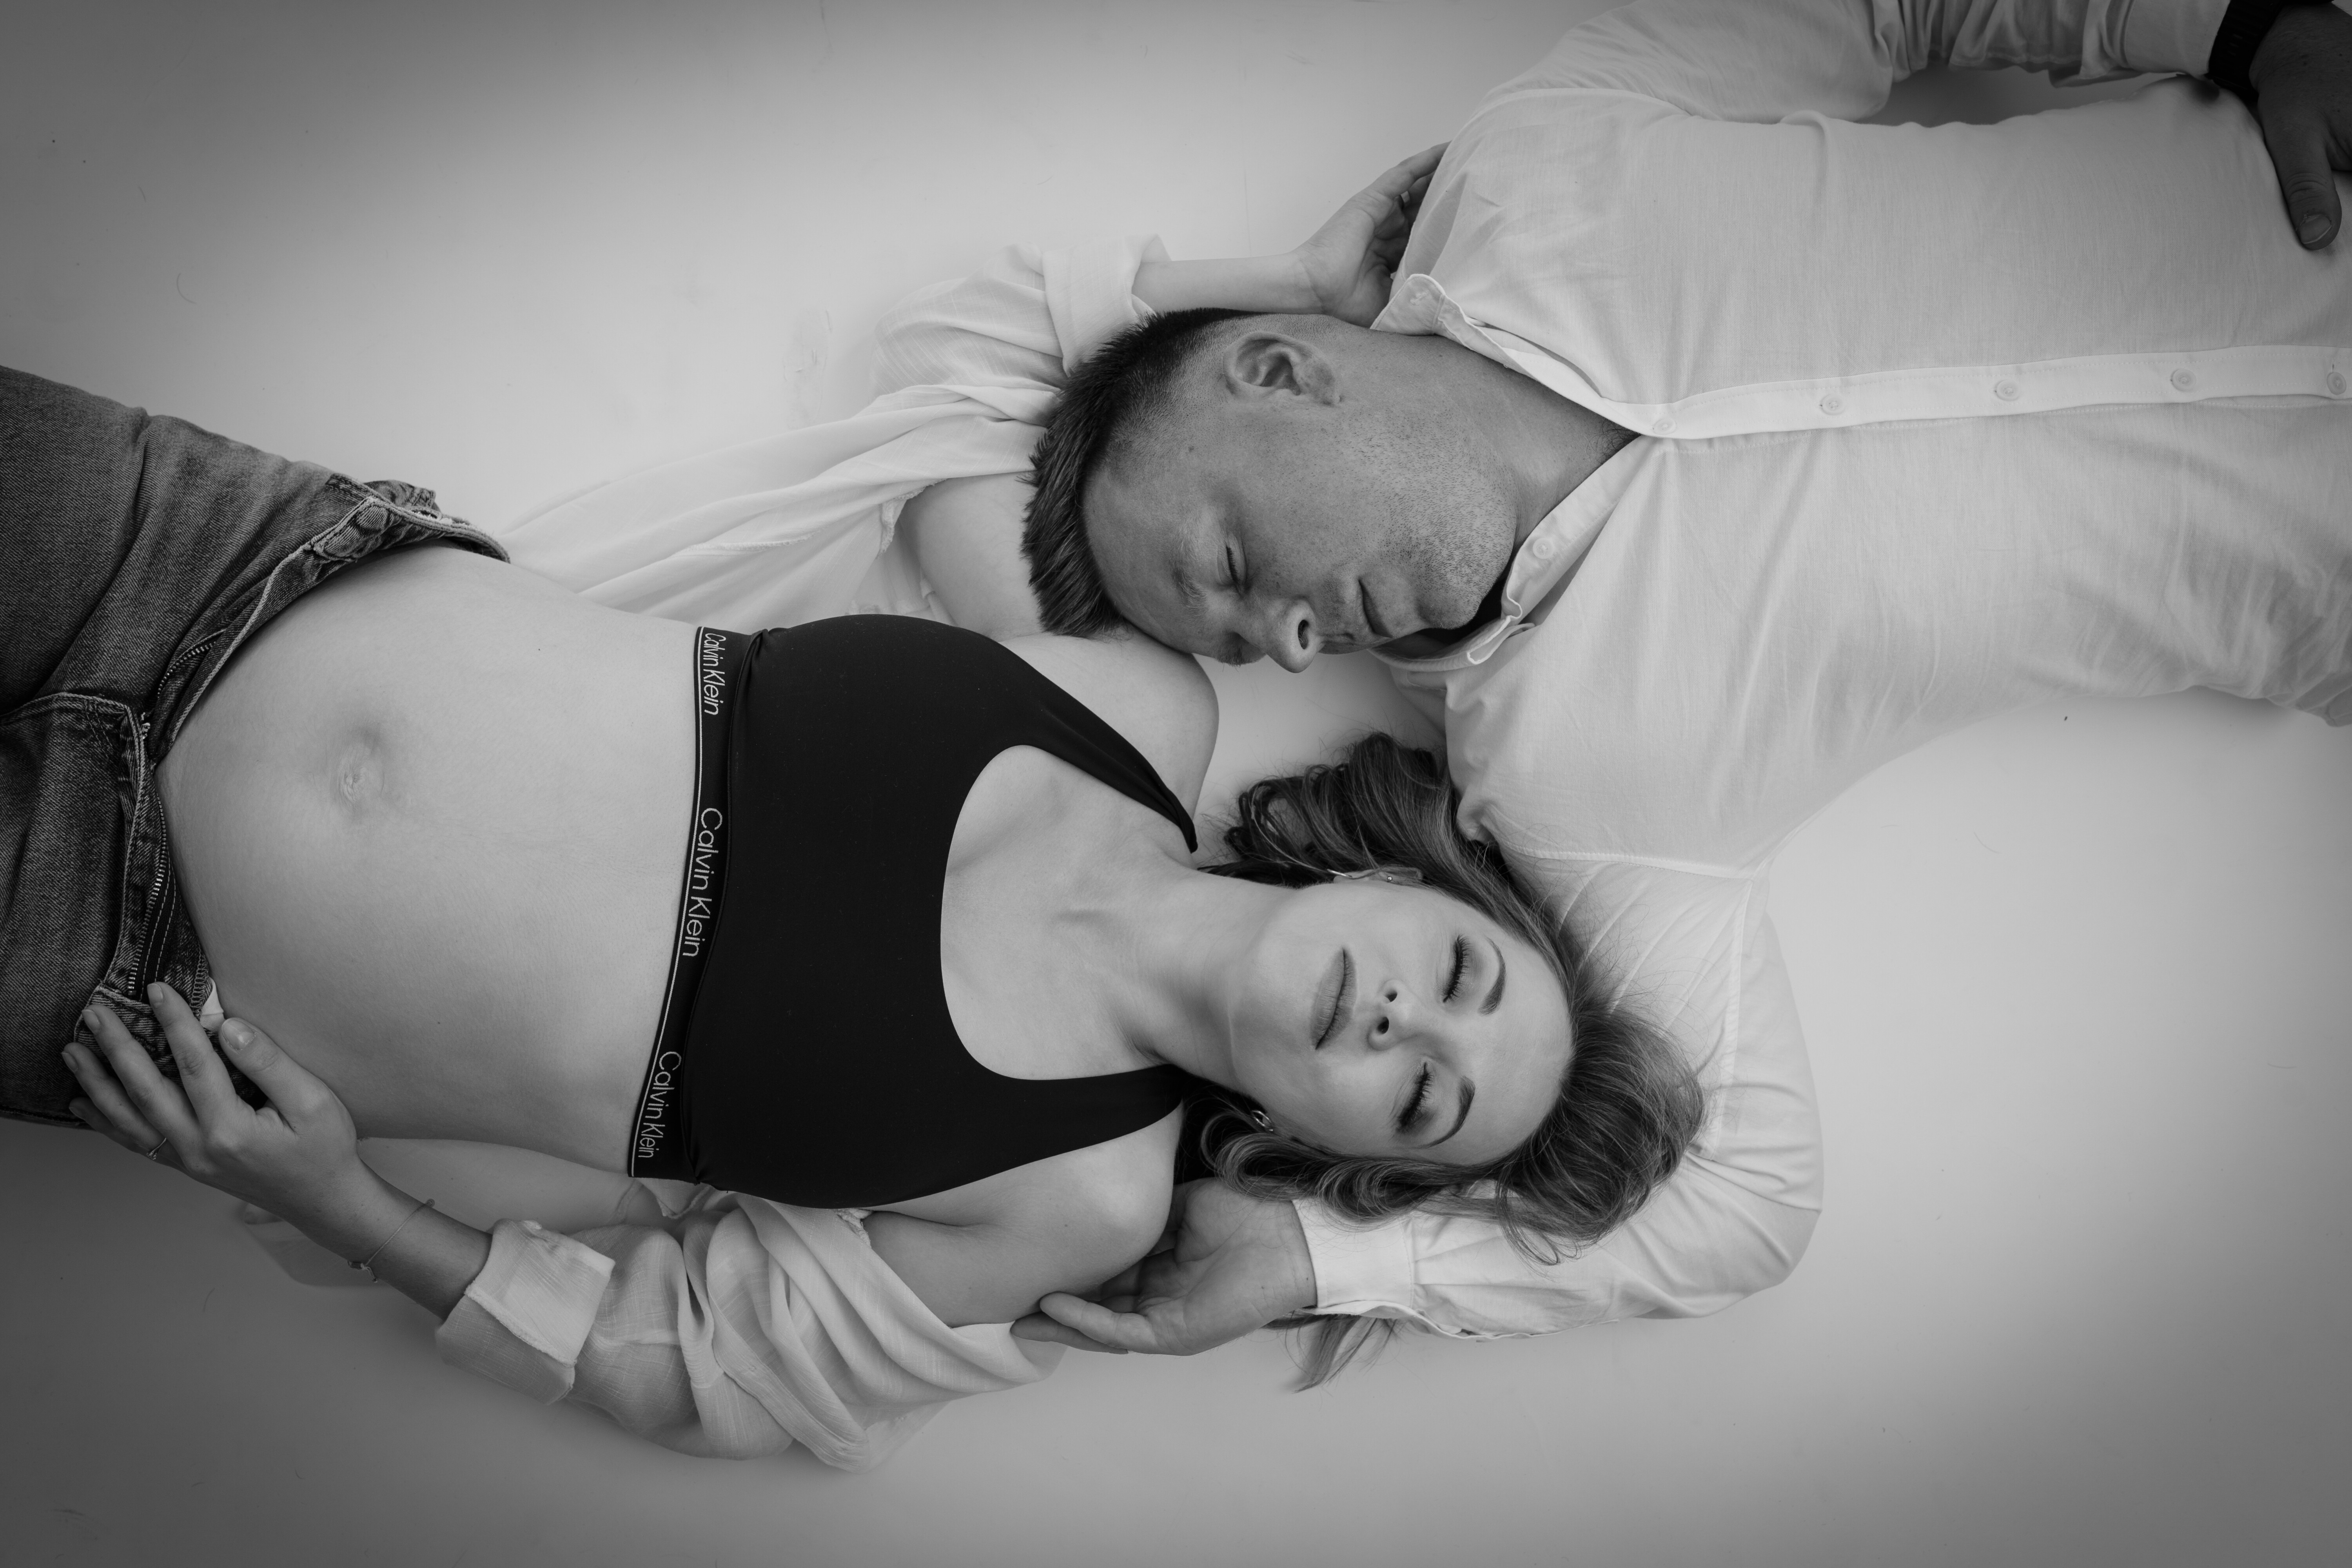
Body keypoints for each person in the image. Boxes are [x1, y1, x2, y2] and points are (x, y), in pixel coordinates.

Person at [2, 364, 1698, 1464]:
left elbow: (691, 1364)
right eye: (1460, 973)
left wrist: (332, 1199)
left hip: (107, 950)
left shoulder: (1079, 1197)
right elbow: (1001, 396)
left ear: (1339, 1149)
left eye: (1425, 1099)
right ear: (1398, 880)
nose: (1407, 1024)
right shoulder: (1142, 700)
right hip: (225, 550)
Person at [992, 0, 2352, 1357]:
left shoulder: (1538, 165)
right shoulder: (1568, 776)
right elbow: (1745, 1206)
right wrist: (1327, 1256)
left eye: (1236, 568)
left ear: (1278, 367)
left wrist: (2248, 23)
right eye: (1245, 648)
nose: (1293, 644)